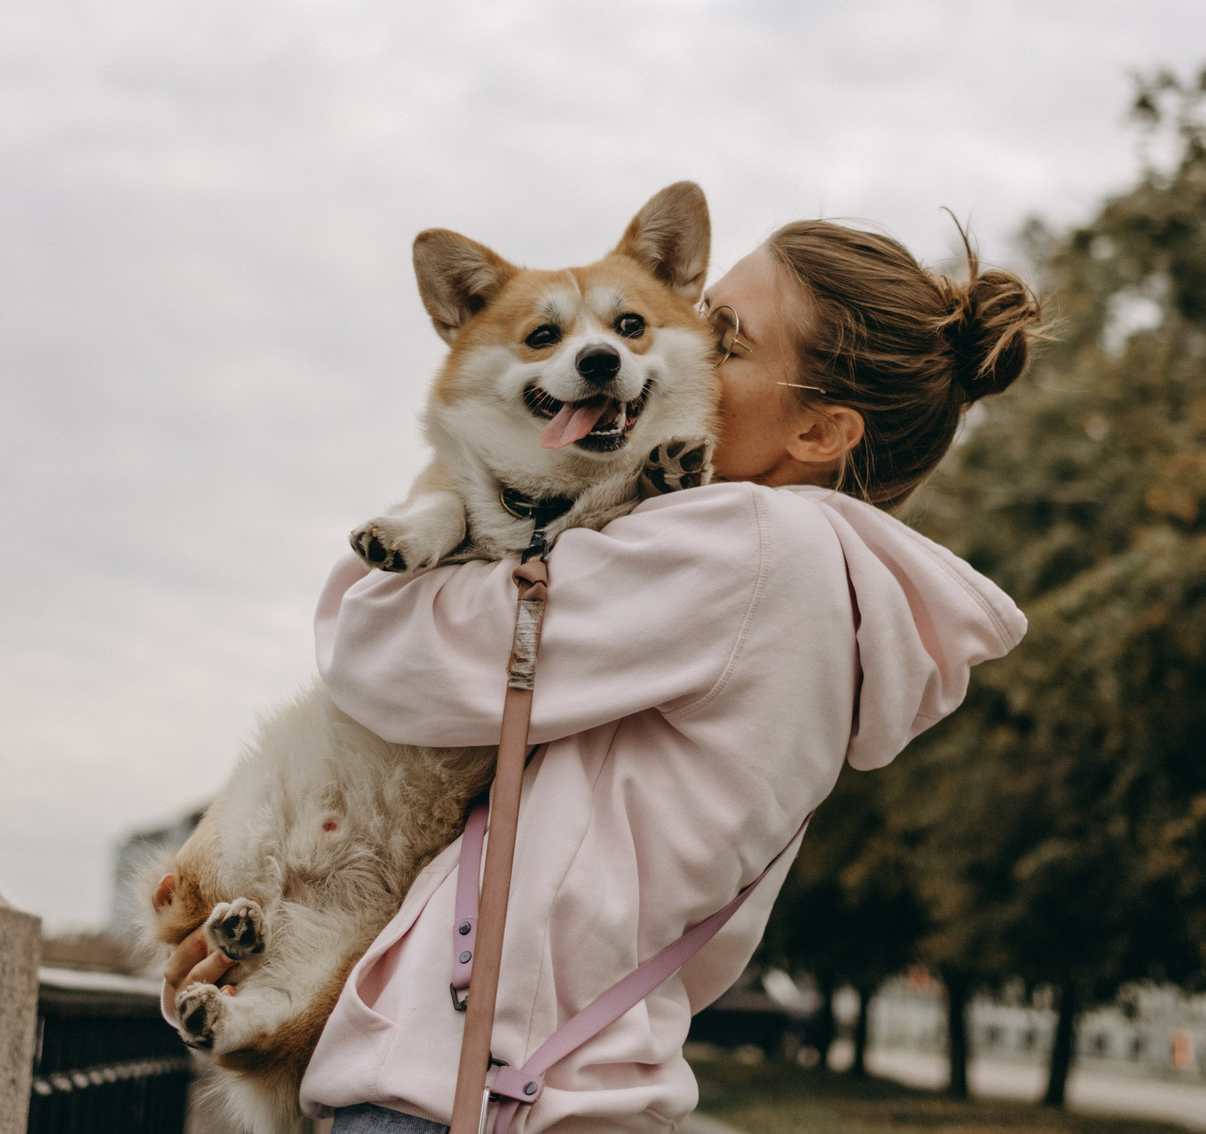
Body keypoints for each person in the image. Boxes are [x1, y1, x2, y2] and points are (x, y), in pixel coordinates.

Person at [163, 219, 1042, 1134]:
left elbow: (388, 655)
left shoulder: (753, 545)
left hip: (473, 1093)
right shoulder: (818, 592)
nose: (685, 339)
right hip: (549, 1082)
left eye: (728, 336)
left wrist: (428, 521)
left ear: (820, 429)